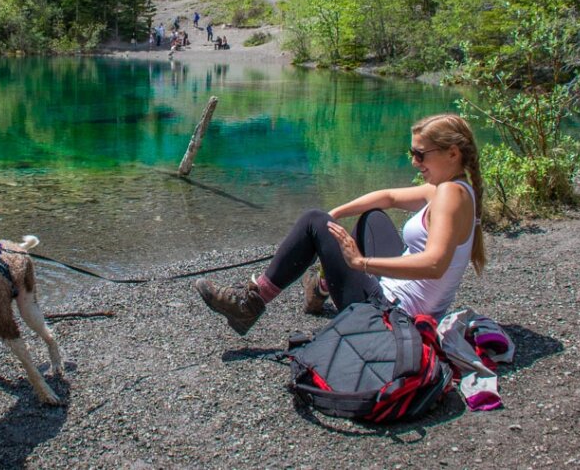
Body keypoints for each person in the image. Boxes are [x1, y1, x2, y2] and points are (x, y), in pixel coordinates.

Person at [195, 113, 485, 335]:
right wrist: (335, 213)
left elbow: (435, 264)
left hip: (391, 317)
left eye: (420, 154)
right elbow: (389, 196)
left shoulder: (449, 194)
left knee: (312, 219)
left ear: (452, 153)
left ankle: (250, 302)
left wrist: (362, 263)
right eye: (412, 154)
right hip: (405, 306)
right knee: (371, 218)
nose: (414, 162)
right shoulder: (455, 188)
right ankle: (320, 287)